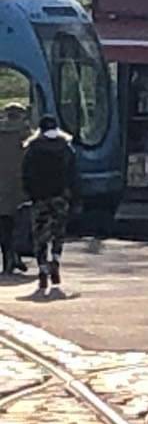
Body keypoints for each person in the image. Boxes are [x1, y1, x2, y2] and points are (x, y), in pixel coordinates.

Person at [21, 115, 79, 296]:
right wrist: (75, 196)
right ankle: (56, 260)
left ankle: (42, 269)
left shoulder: (32, 149)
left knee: (40, 236)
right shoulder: (66, 148)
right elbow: (74, 175)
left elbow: (26, 174)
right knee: (58, 233)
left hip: (40, 198)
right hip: (60, 197)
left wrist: (30, 193)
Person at [0, 103, 28, 274]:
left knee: (3, 225)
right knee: (20, 225)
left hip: (1, 189)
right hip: (21, 188)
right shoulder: (26, 135)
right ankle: (16, 255)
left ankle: (8, 258)